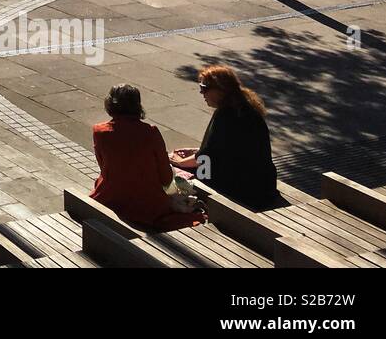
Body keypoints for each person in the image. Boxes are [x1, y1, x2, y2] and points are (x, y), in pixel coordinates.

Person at [170, 65, 279, 211]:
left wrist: (180, 162)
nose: (201, 92)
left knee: (175, 172)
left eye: (204, 87)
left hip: (241, 188)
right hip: (263, 185)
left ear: (220, 90)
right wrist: (195, 150)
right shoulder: (247, 109)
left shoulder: (225, 115)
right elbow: (226, 148)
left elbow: (207, 158)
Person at [91, 85, 201, 230]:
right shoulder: (150, 132)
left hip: (110, 197)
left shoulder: (100, 132)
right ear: (137, 106)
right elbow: (166, 178)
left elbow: (104, 168)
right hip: (148, 204)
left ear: (110, 104)